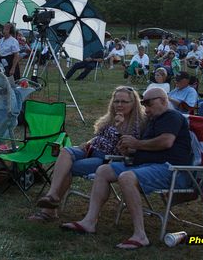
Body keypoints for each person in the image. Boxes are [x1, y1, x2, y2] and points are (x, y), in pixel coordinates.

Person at [60, 88, 192, 250]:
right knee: (103, 171)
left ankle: (140, 235)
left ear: (163, 101)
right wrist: (129, 150)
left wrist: (136, 144)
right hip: (146, 165)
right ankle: (89, 221)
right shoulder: (152, 122)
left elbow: (166, 142)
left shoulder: (171, 116)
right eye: (143, 103)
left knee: (126, 177)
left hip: (170, 169)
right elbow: (146, 147)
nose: (146, 107)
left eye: (148, 103)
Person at [28, 86, 145, 222]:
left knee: (68, 168)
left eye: (124, 102)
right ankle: (52, 195)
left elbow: (127, 148)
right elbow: (102, 136)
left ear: (134, 103)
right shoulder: (112, 117)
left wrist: (120, 127)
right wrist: (89, 142)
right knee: (66, 151)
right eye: (116, 101)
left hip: (107, 159)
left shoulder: (137, 124)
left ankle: (48, 212)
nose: (119, 105)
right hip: (90, 149)